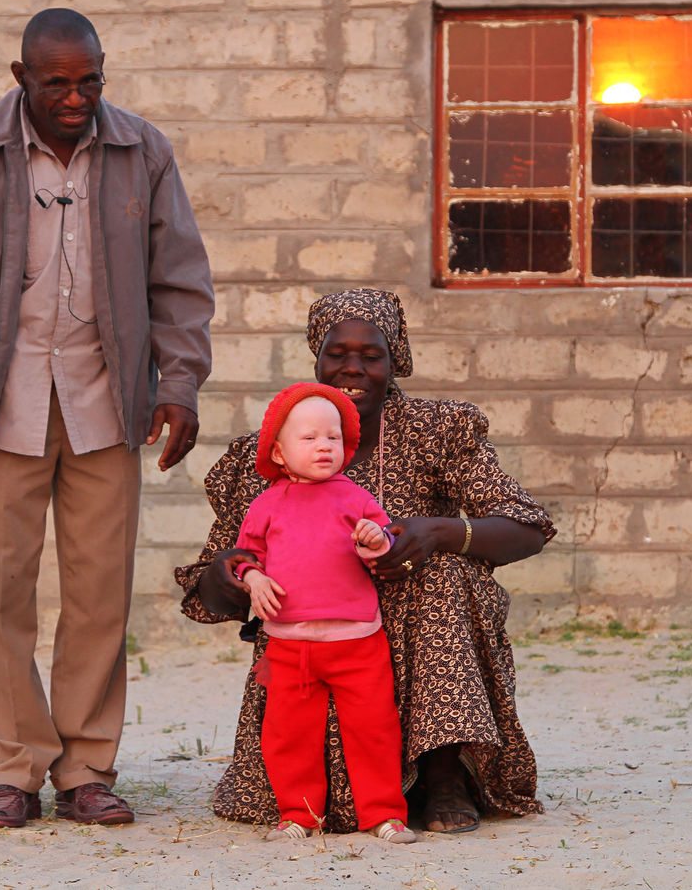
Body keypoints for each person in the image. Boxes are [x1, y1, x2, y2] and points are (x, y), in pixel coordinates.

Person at [0, 8, 213, 830]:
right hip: (0, 406)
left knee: (99, 593)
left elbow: (180, 279)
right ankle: (14, 768)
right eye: (58, 83)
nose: (77, 97)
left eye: (90, 80)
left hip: (106, 402)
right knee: (0, 593)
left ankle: (85, 768)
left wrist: (180, 382)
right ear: (22, 78)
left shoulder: (142, 149)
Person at [176, 288, 554, 836]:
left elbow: (528, 526)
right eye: (337, 354)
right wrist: (236, 574)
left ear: (395, 359)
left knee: (445, 570)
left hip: (411, 625)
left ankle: (443, 772)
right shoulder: (274, 448)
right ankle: (317, 794)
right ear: (317, 358)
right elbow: (207, 592)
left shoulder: (437, 430)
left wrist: (435, 532)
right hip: (309, 638)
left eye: (371, 355)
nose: (352, 368)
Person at [235, 382, 418, 846]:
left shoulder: (355, 498)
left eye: (333, 437)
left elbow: (384, 541)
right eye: (309, 437)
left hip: (358, 641)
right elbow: (245, 556)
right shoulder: (267, 504)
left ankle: (383, 813)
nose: (324, 446)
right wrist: (254, 578)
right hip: (288, 643)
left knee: (374, 729)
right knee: (288, 734)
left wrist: (374, 541)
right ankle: (299, 814)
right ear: (279, 452)